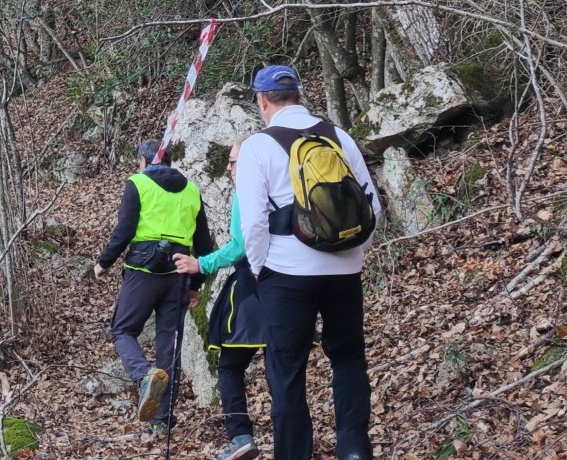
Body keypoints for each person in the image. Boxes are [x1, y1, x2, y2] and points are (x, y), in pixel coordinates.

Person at [235, 65, 382, 460]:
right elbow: (373, 207)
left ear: (262, 101)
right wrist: (354, 253)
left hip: (286, 273)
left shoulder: (257, 147)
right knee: (348, 356)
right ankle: (353, 448)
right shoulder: (339, 137)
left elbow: (252, 223)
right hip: (344, 270)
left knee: (287, 369)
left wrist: (260, 267)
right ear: (299, 95)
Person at [93, 139, 213, 434]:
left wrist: (103, 263)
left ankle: (143, 374)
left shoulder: (138, 183)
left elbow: (125, 230)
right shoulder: (192, 189)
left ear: (145, 161)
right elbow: (203, 244)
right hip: (179, 273)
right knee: (168, 346)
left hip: (143, 270)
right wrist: (195, 283)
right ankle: (162, 422)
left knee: (122, 330)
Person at [172, 136, 265, 460]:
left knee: (229, 367)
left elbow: (239, 245)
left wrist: (202, 263)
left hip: (252, 291)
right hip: (290, 287)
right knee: (284, 368)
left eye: (233, 161)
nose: (228, 167)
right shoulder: (280, 187)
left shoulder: (247, 192)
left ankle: (240, 437)